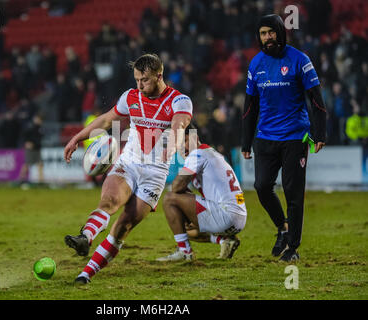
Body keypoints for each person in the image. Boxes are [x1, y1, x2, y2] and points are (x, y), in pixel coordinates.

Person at [63, 53, 193, 285]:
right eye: (136, 80)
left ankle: (87, 274)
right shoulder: (131, 97)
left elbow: (179, 127)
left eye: (144, 80)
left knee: (124, 225)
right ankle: (85, 237)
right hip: (129, 164)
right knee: (109, 202)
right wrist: (77, 138)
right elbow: (105, 120)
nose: (139, 85)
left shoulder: (179, 101)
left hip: (154, 176)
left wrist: (171, 147)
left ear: (159, 76)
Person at [241, 15, 327, 262]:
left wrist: (320, 133)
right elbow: (250, 106)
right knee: (261, 186)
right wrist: (246, 141)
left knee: (293, 191)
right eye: (263, 33)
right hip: (265, 137)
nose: (267, 37)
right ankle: (283, 227)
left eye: (271, 32)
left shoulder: (300, 60)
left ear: (280, 32)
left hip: (295, 137)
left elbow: (317, 100)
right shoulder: (256, 64)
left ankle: (292, 248)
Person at [156, 123, 247, 261]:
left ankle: (184, 251)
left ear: (195, 137)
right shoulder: (211, 153)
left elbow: (176, 187)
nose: (182, 148)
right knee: (184, 228)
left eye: (184, 142)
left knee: (169, 199)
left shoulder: (197, 154)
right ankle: (225, 241)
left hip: (225, 215)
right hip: (239, 217)